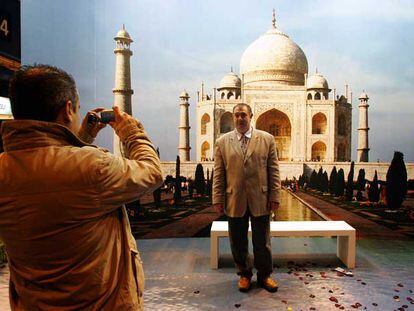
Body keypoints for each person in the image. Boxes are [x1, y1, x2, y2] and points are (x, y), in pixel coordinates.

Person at [0, 64, 163, 310]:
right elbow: (152, 172)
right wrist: (132, 133)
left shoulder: (4, 169)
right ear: (67, 110)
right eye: (75, 109)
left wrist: (82, 138)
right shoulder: (93, 167)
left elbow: (56, 173)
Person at [212, 103, 281, 293]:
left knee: (262, 241)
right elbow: (219, 174)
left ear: (251, 116)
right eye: (237, 115)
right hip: (234, 198)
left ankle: (265, 275)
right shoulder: (223, 141)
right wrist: (217, 199)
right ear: (233, 118)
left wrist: (275, 195)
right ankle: (244, 274)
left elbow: (273, 170)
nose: (240, 118)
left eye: (243, 114)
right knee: (237, 241)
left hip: (260, 197)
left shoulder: (267, 139)